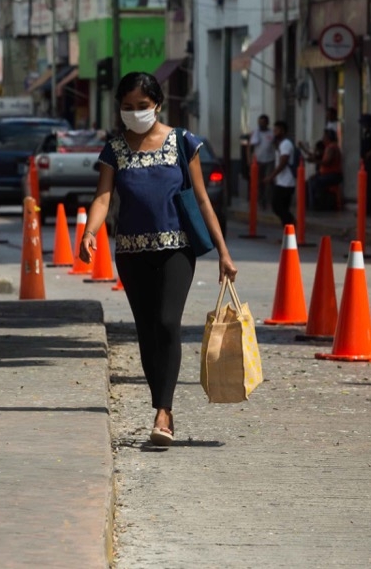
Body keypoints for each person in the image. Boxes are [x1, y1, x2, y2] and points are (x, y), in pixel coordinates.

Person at [80, 71, 236, 446]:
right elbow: (104, 197)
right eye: (127, 107)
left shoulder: (183, 143)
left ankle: (163, 412)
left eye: (142, 106)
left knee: (167, 323)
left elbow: (201, 199)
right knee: (147, 331)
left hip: (176, 250)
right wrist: (89, 231)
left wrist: (223, 253)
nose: (135, 113)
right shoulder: (114, 150)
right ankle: (160, 405)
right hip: (131, 254)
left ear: (158, 105)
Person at [265, 120, 297, 227]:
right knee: (282, 207)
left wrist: (271, 176)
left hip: (286, 182)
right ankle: (288, 232)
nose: (274, 132)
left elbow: (283, 162)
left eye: (277, 130)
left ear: (283, 131)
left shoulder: (286, 144)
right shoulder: (281, 144)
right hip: (282, 181)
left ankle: (292, 222)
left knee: (277, 206)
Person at [307, 128, 344, 210]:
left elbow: (326, 162)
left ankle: (316, 205)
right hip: (329, 174)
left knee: (314, 183)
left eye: (324, 137)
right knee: (311, 180)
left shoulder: (331, 147)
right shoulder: (331, 147)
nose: (323, 139)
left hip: (332, 175)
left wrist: (314, 161)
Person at [245, 114, 275, 210]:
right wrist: (249, 160)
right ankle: (261, 201)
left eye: (263, 123)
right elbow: (249, 147)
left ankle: (268, 201)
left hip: (269, 160)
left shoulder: (271, 133)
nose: (261, 124)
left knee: (268, 181)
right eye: (260, 123)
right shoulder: (255, 133)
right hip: (257, 161)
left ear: (267, 123)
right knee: (258, 183)